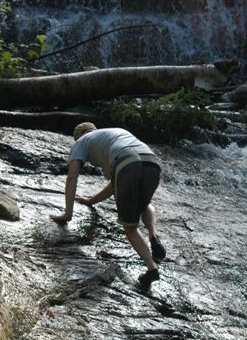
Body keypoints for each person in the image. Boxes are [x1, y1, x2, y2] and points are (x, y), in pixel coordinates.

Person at [50, 122, 166, 287]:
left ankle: (151, 268)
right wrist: (90, 200)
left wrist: (68, 214)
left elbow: (72, 176)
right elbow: (115, 185)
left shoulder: (81, 142)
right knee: (144, 204)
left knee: (130, 227)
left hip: (127, 164)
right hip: (152, 162)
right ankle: (154, 236)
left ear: (79, 136)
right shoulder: (114, 134)